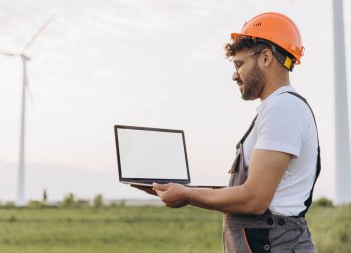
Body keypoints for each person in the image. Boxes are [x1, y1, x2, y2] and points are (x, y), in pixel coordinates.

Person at [132, 12, 320, 253]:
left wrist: (187, 195)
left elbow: (254, 198)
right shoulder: (275, 109)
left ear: (265, 58)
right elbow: (249, 192)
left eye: (239, 64)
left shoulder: (283, 108)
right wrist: (178, 189)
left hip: (275, 244)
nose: (234, 75)